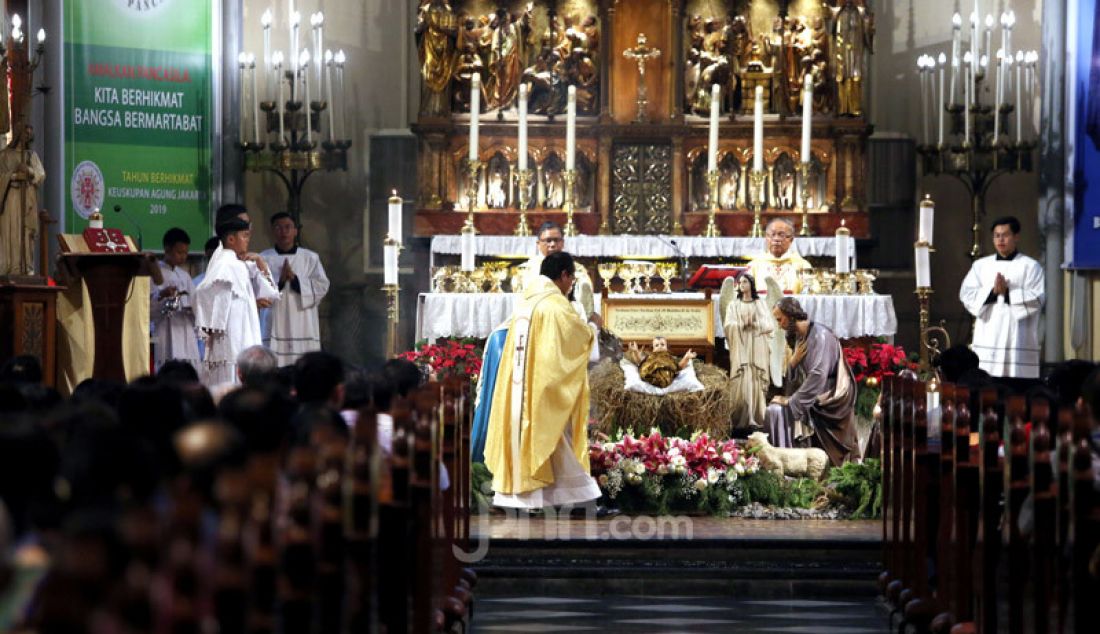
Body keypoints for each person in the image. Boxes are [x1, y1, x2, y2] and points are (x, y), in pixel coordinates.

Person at [484, 251, 601, 510]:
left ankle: (520, 497)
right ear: (563, 276)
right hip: (542, 389)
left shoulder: (526, 302)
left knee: (539, 439)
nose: (571, 286)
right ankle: (578, 500)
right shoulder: (556, 305)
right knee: (554, 434)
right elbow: (578, 340)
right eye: (572, 280)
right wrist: (593, 327)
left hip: (519, 388)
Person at [764, 297, 859, 466]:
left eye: (780, 319)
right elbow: (801, 376)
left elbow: (817, 376)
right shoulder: (800, 337)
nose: (779, 325)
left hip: (831, 395)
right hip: (813, 393)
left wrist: (791, 401)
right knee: (775, 410)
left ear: (791, 315)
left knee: (783, 410)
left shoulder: (820, 336)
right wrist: (792, 364)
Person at [193, 217, 279, 388]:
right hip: (233, 334)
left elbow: (270, 294)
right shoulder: (227, 263)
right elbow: (202, 292)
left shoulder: (239, 263)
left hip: (243, 328)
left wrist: (260, 262)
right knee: (233, 375)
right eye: (245, 236)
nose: (248, 240)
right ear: (231, 239)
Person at [958, 216, 1045, 379]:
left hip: (1018, 337)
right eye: (996, 235)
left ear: (1016, 237)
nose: (1000, 239)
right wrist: (992, 292)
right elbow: (966, 293)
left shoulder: (1031, 266)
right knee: (986, 384)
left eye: (1005, 235)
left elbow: (1038, 297)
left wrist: (1008, 293)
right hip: (988, 334)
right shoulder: (981, 266)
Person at [259, 213, 330, 366]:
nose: (283, 232)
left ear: (295, 231)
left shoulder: (310, 258)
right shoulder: (263, 258)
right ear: (272, 231)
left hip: (302, 320)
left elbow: (322, 285)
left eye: (287, 227)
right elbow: (256, 290)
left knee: (303, 366)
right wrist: (280, 281)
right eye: (278, 228)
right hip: (274, 317)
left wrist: (296, 281)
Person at [722, 273, 775, 429]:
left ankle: (757, 417)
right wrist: (740, 325)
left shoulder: (760, 303)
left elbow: (769, 325)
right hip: (741, 346)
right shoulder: (734, 305)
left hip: (757, 346)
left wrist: (755, 323)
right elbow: (728, 325)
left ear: (751, 284)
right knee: (742, 378)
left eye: (745, 282)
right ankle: (741, 418)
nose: (742, 284)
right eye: (740, 282)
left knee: (755, 379)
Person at [150, 228, 200, 373]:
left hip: (185, 328)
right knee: (168, 368)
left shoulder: (184, 275)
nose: (183, 257)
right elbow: (147, 308)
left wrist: (193, 308)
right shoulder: (154, 273)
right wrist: (162, 295)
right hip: (166, 328)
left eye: (185, 253)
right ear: (167, 249)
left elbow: (195, 301)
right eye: (179, 252)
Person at [0, 124, 45, 276]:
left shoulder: (31, 155)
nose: (28, 137)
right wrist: (12, 176)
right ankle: (12, 267)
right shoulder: (5, 155)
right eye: (25, 133)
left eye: (30, 134)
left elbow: (40, 175)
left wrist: (29, 171)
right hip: (11, 197)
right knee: (12, 231)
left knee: (26, 233)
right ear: (19, 134)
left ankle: (26, 267)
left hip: (27, 198)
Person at [746, 217, 812, 294]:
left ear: (791, 239)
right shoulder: (753, 266)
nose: (776, 239)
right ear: (766, 238)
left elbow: (810, 293)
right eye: (772, 234)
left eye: (781, 235)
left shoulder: (803, 265)